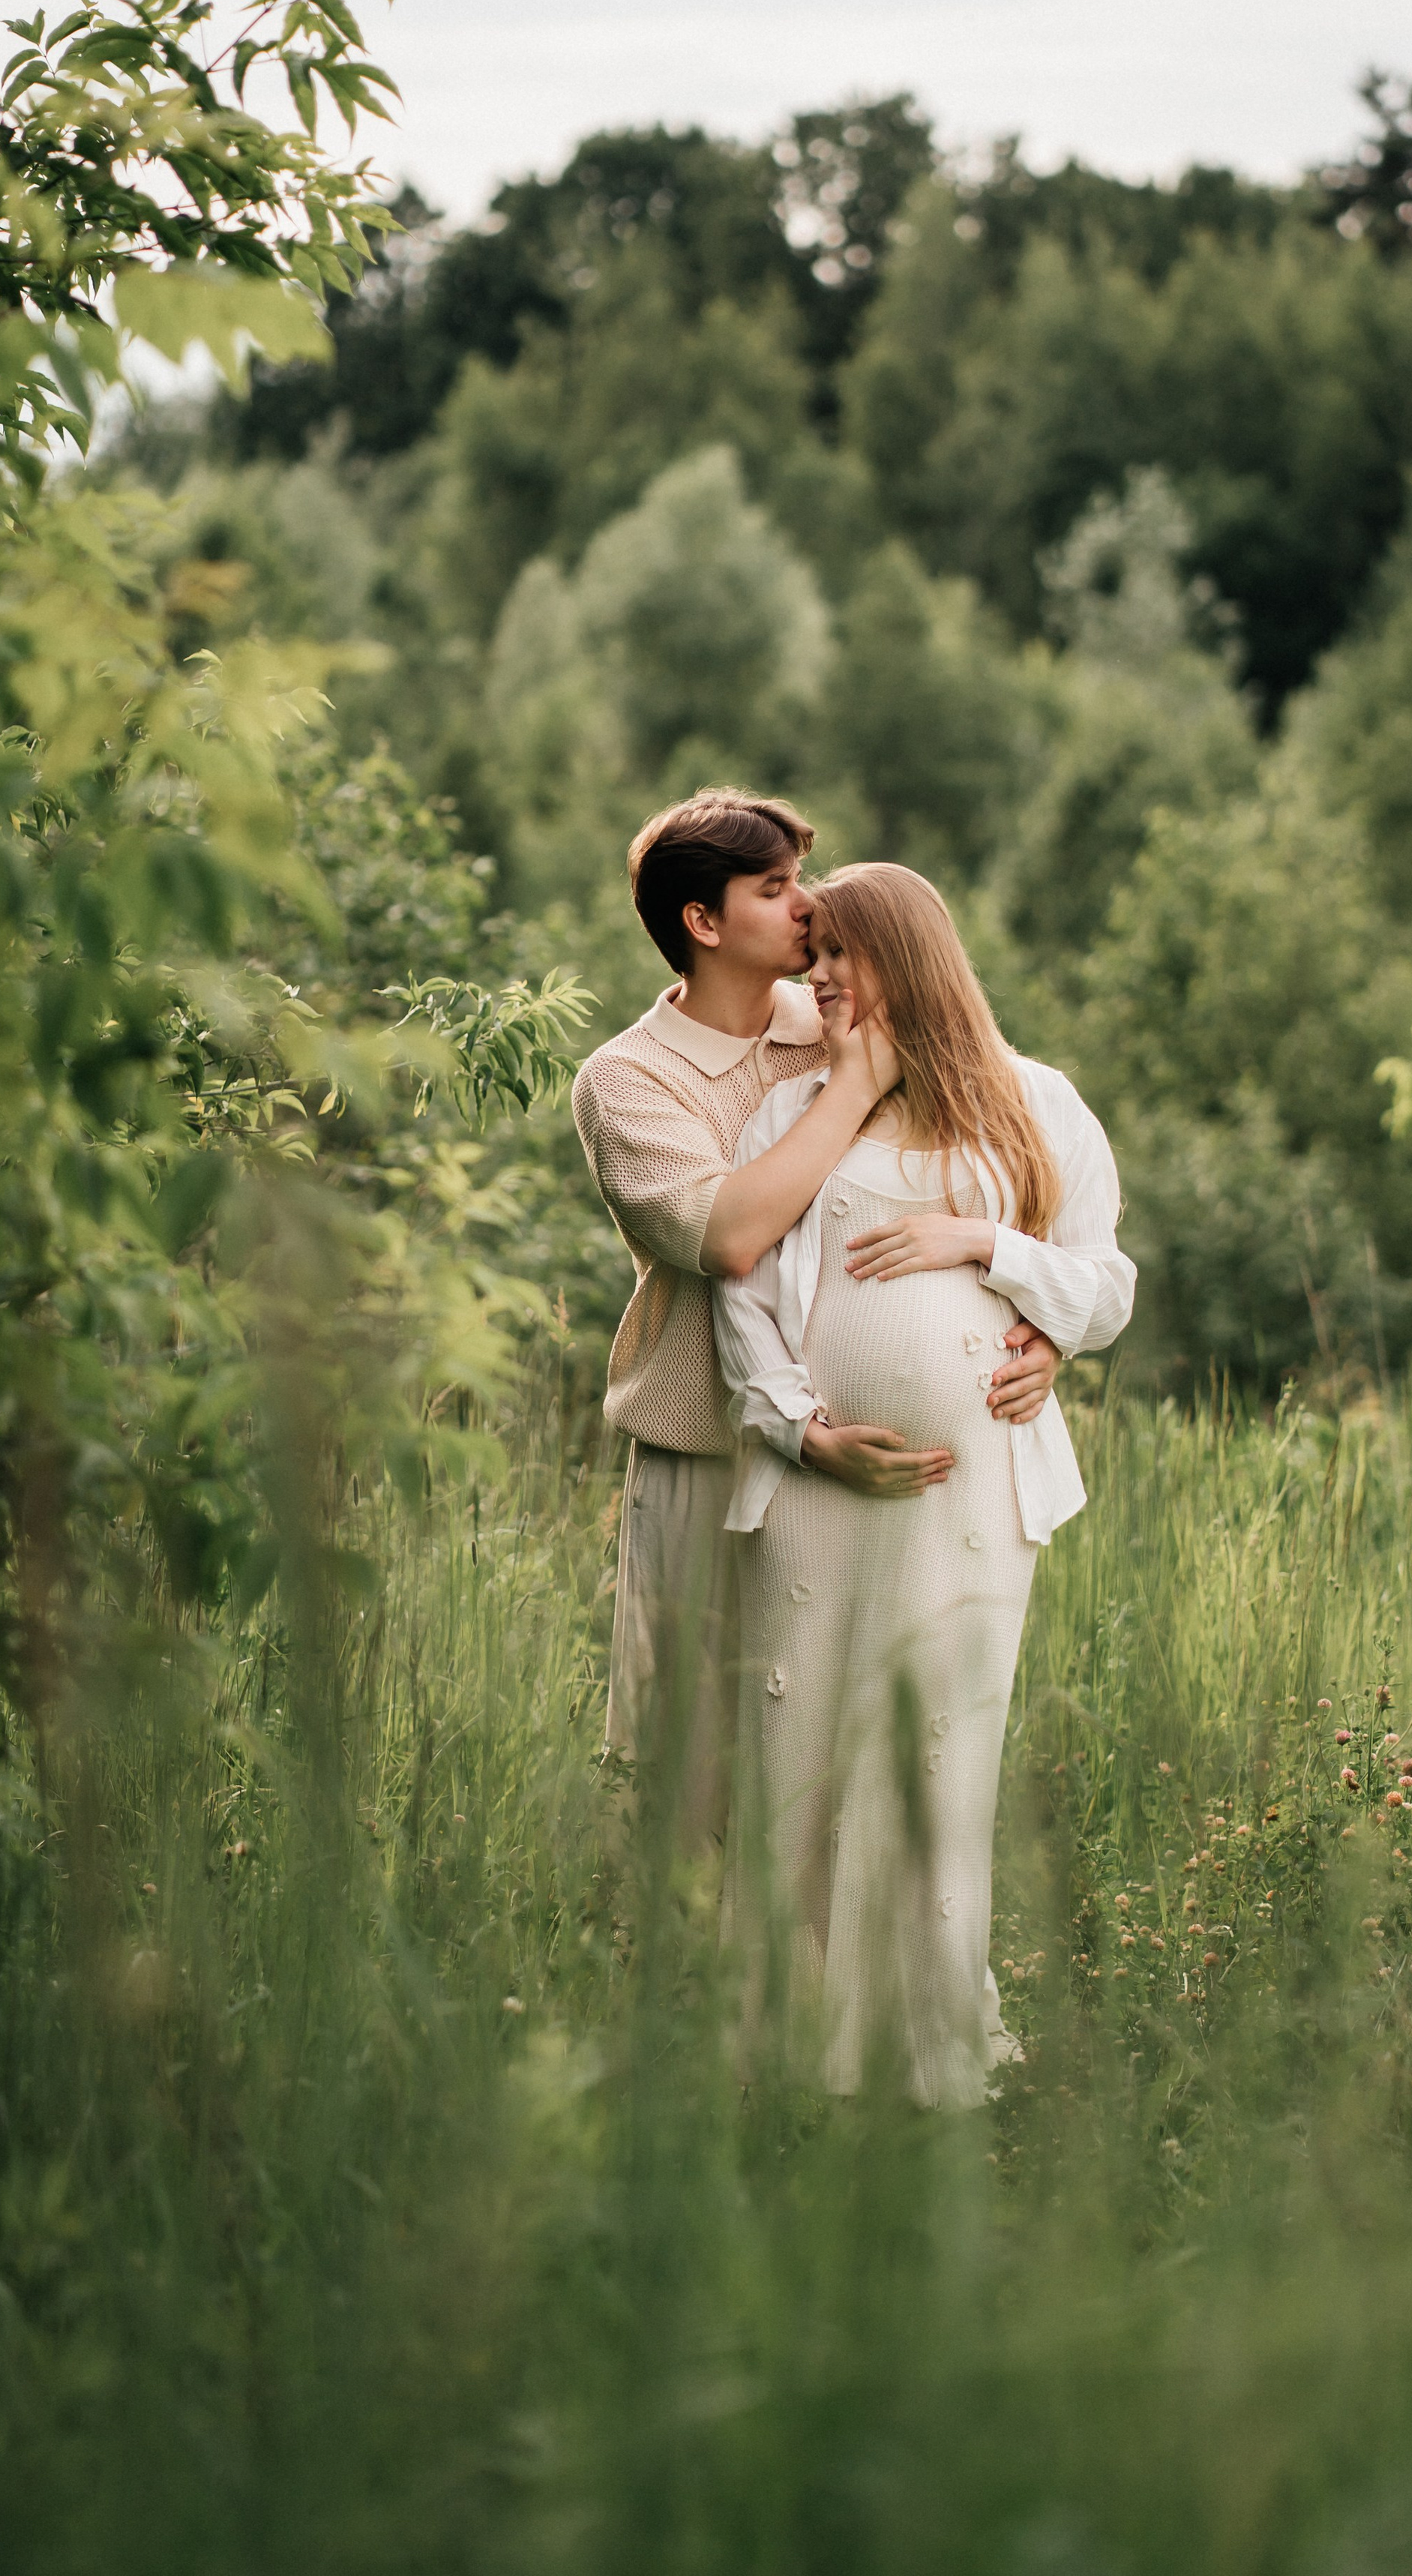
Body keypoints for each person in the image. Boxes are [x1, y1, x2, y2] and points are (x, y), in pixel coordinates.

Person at [712, 862, 1135, 2106]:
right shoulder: (790, 1120)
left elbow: (1105, 1289)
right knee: (799, 1759)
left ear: (914, 956)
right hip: (813, 1497)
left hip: (971, 1501)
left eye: (845, 953)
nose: (820, 975)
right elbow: (740, 1304)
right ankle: (789, 2053)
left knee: (936, 1763)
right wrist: (799, 1432)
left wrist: (985, 1248)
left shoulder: (1037, 1105)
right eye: (815, 953)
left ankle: (920, 2052)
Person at [569, 793, 1063, 1853]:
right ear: (704, 924)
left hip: (844, 1475)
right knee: (690, 1766)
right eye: (776, 889)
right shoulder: (628, 1082)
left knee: (822, 1763)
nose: (808, 911)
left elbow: (1006, 1146)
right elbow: (733, 1235)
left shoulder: (831, 1014)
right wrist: (850, 1086)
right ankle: (684, 2005)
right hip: (709, 1450)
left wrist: (1043, 1325)